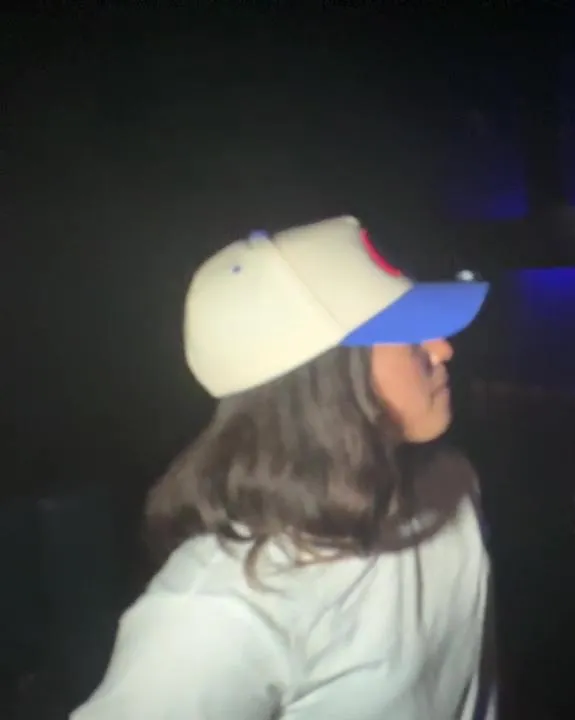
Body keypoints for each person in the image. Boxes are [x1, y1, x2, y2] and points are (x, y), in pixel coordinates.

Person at [73, 216, 496, 720]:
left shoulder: (450, 484)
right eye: (408, 335)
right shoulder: (220, 610)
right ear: (325, 380)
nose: (443, 348)